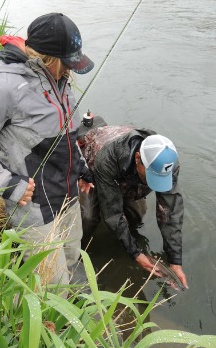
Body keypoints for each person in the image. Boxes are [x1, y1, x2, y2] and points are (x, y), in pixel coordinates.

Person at [0, 13, 94, 287]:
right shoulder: (6, 86)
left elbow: (66, 134)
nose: (69, 71)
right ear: (47, 58)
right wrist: (7, 184)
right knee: (50, 286)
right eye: (66, 63)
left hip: (68, 199)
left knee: (72, 260)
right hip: (34, 209)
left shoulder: (61, 81)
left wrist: (82, 170)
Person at [78, 124, 188, 289]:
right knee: (87, 218)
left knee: (137, 213)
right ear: (138, 158)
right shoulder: (106, 158)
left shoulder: (167, 162)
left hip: (129, 174)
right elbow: (113, 213)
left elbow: (170, 212)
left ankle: (127, 237)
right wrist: (136, 254)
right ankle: (79, 252)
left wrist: (175, 260)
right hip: (96, 167)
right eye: (152, 176)